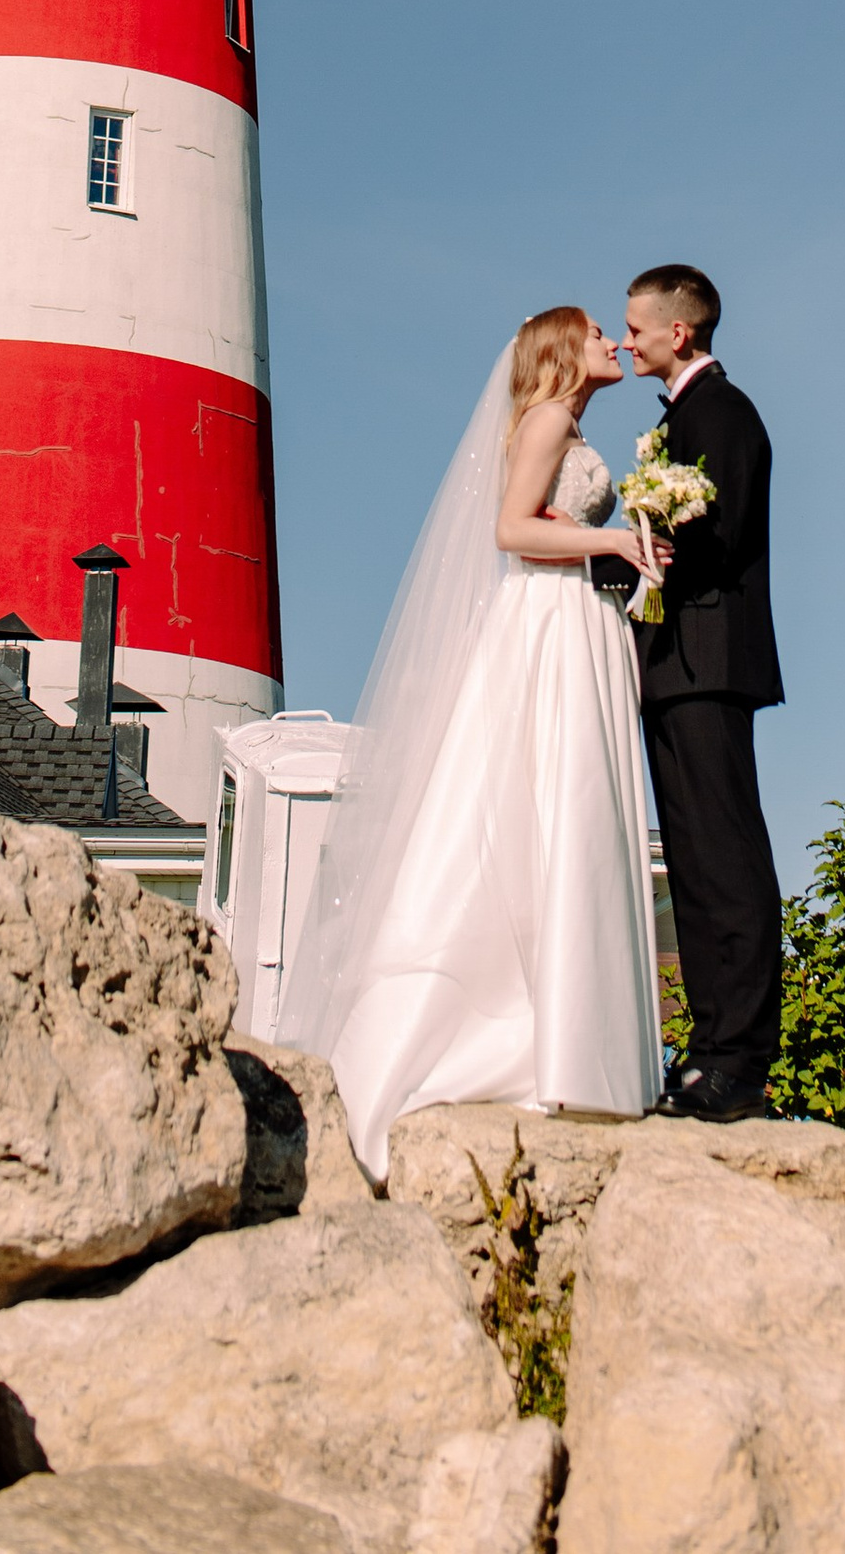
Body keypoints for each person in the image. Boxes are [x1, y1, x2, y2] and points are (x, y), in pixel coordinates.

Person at [277, 306, 668, 1179]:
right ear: (563, 352)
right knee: (545, 806)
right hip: (549, 621)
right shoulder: (550, 418)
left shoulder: (563, 422)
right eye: (597, 331)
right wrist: (609, 538)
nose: (612, 340)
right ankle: (527, 1037)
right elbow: (511, 528)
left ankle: (565, 1035)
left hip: (574, 616)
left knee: (561, 814)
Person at [624, 264, 784, 1124]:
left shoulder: (724, 414)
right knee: (691, 858)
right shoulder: (684, 418)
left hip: (710, 660)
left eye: (637, 325)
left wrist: (660, 540)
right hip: (677, 663)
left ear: (678, 331)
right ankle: (713, 1042)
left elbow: (721, 535)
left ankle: (740, 1059)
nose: (628, 339)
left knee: (724, 854)